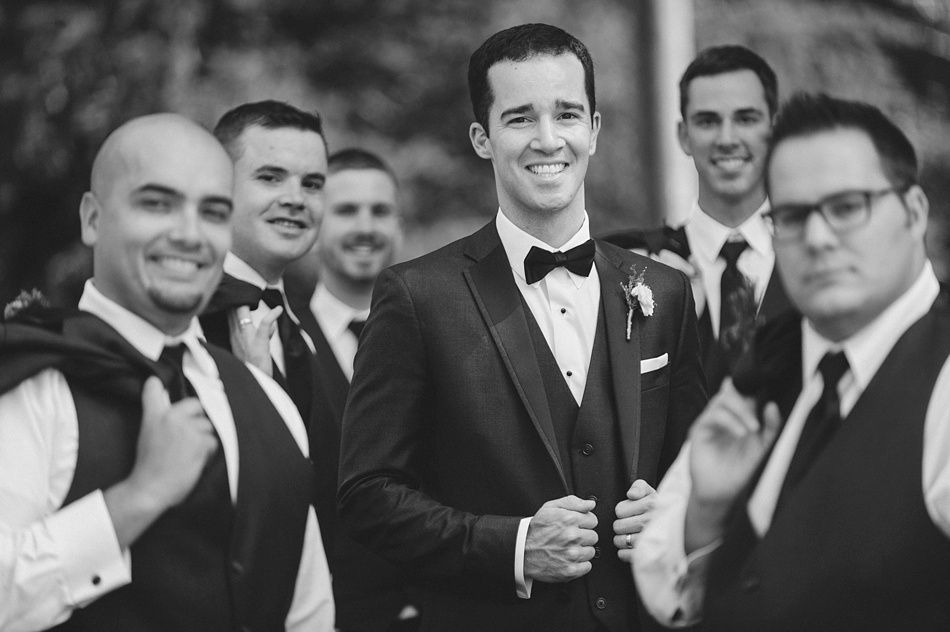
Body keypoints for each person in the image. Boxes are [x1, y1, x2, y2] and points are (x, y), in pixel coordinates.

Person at [338, 23, 706, 632]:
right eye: (519, 119)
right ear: (483, 138)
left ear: (594, 128)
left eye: (566, 114)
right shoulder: (417, 296)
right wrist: (512, 546)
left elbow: (697, 466)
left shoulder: (663, 292)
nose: (547, 139)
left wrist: (676, 510)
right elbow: (367, 494)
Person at [0, 114, 333, 631]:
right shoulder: (31, 380)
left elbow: (308, 613)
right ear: (92, 219)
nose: (188, 233)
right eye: (157, 204)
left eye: (213, 212)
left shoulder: (271, 405)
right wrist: (136, 499)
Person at [633, 93, 950, 631]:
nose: (819, 238)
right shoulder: (771, 361)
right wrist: (708, 514)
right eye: (794, 216)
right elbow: (666, 593)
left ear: (914, 212)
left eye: (848, 207)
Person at [604, 45, 790, 391]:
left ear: (774, 130)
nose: (727, 139)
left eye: (746, 119)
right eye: (708, 121)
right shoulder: (629, 263)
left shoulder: (816, 252)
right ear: (684, 136)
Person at [286, 148, 417, 632]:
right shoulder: (281, 341)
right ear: (317, 224)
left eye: (380, 211)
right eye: (346, 211)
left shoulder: (433, 338)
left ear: (399, 227)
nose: (366, 227)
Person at [199, 100, 329, 433]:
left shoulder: (305, 328)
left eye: (312, 184)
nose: (296, 199)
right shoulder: (187, 316)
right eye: (271, 177)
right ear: (218, 185)